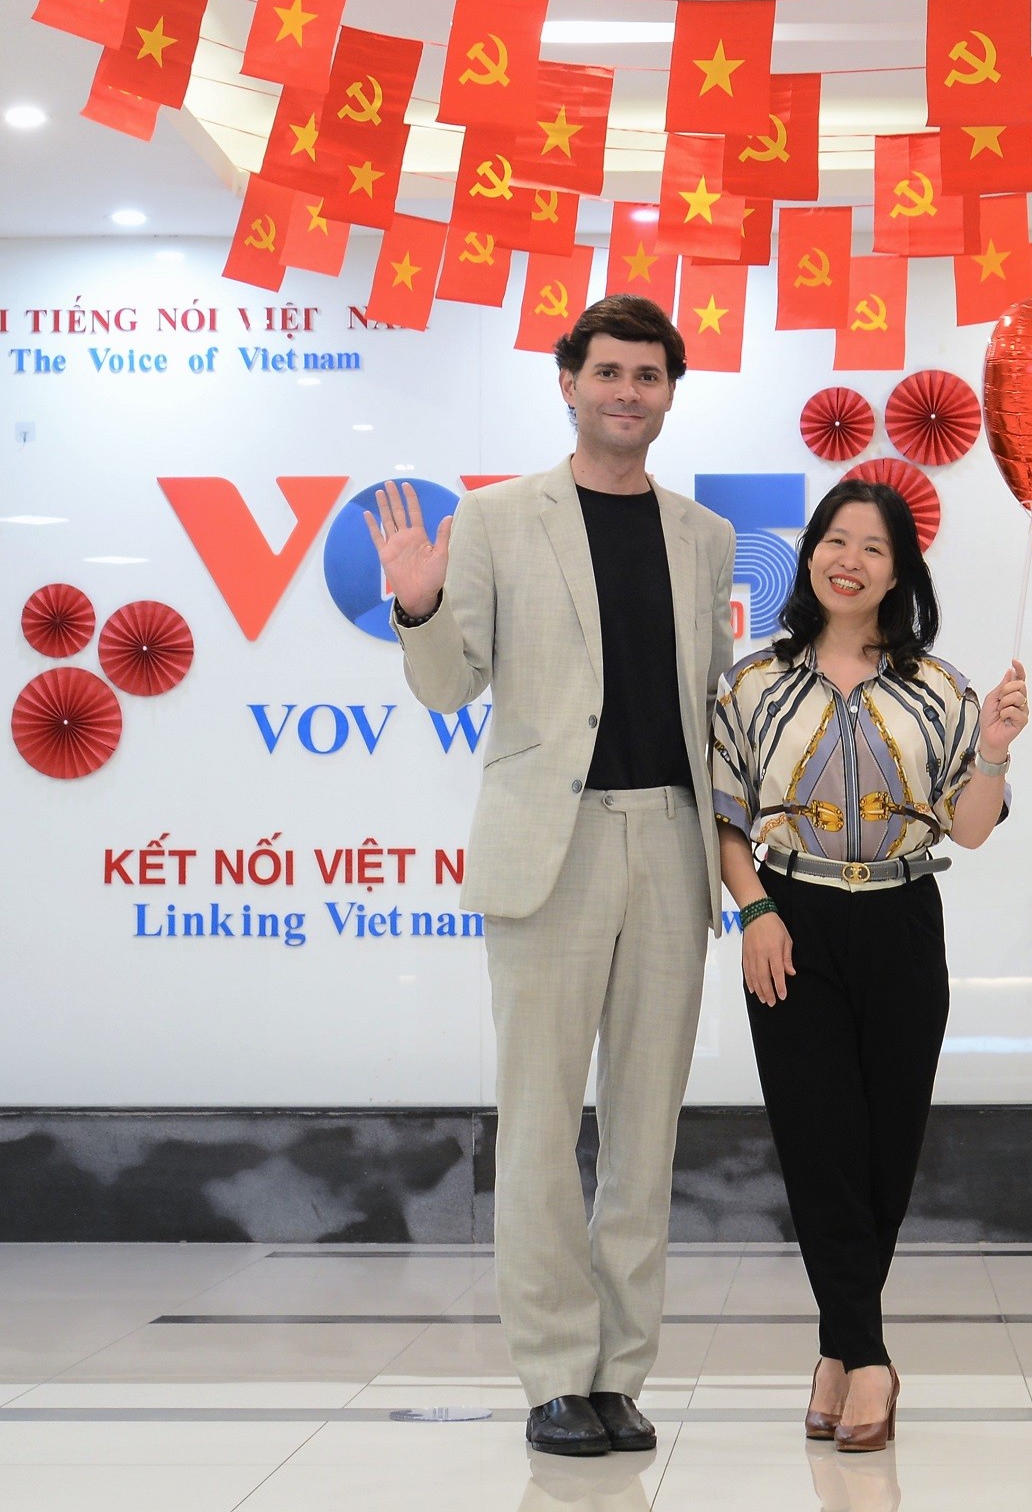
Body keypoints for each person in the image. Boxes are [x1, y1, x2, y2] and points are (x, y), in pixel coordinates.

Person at [365, 294, 736, 1458]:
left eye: (649, 375)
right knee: (537, 1122)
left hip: (670, 840)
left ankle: (620, 1372)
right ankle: (553, 1373)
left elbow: (714, 706)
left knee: (645, 1129)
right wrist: (419, 602)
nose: (629, 391)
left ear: (670, 394)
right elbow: (446, 685)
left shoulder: (704, 535)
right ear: (568, 382)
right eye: (609, 371)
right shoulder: (494, 519)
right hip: (550, 847)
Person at [711, 479, 1028, 1453]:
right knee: (819, 1146)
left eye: (873, 548)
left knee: (886, 1151)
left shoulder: (941, 689)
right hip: (790, 920)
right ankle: (871, 1360)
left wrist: (995, 749)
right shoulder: (751, 684)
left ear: (898, 573)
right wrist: (755, 909)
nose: (849, 560)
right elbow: (724, 818)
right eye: (834, 541)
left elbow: (970, 829)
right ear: (809, 553)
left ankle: (836, 1352)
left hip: (903, 919)